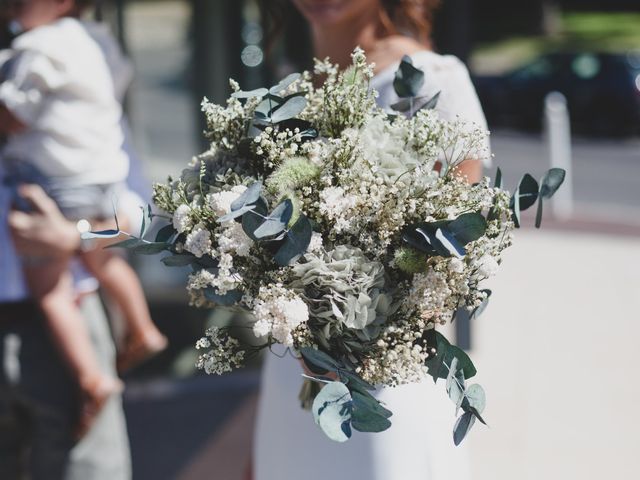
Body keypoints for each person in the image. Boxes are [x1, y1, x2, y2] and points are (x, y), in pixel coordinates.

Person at [253, 1, 489, 479]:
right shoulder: (288, 90)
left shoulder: (431, 79)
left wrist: (350, 313)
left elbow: (462, 241)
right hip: (287, 374)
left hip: (382, 381)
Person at [0, 0, 166, 435]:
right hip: (97, 180)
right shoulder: (95, 44)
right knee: (108, 263)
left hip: (58, 195)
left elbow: (138, 220)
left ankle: (93, 377)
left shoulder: (36, 48)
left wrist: (73, 238)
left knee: (52, 292)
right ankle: (142, 326)